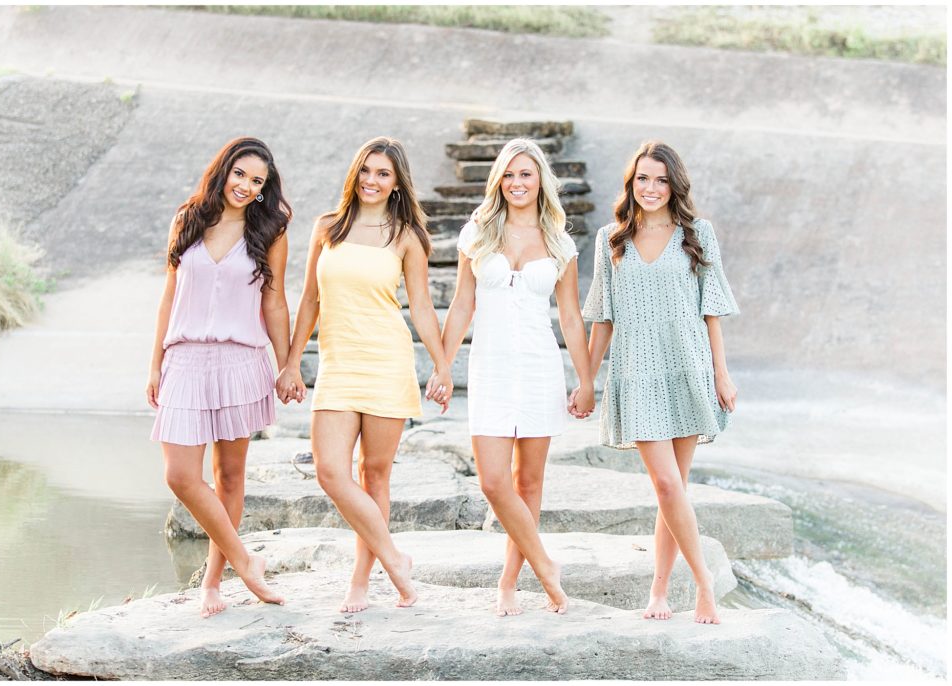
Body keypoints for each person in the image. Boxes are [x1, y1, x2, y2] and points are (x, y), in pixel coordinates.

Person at [276, 136, 452, 612]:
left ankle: (361, 580)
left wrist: (441, 365)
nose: (373, 181)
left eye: (384, 174)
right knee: (332, 472)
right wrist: (292, 362)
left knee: (374, 476)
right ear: (355, 173)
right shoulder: (327, 228)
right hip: (337, 362)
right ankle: (395, 557)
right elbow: (310, 299)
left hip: (386, 359)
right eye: (367, 171)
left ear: (396, 185)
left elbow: (420, 306)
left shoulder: (406, 237)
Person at [576, 140, 739, 624]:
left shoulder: (697, 233)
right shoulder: (613, 240)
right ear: (631, 183)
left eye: (661, 180)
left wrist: (721, 373)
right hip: (637, 373)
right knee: (666, 484)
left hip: (688, 368)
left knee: (677, 490)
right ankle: (705, 585)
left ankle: (660, 590)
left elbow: (712, 310)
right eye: (643, 178)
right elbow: (601, 319)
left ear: (675, 185)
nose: (651, 188)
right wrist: (585, 380)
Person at [439, 138, 595, 616]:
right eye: (508, 175)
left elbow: (570, 317)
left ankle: (508, 584)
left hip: (538, 366)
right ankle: (547, 565)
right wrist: (444, 365)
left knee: (528, 483)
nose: (516, 183)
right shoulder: (479, 232)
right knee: (492, 481)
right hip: (490, 366)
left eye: (525, 174)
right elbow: (463, 303)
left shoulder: (558, 240)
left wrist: (585, 380)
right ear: (498, 181)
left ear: (540, 180)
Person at [147, 137, 293, 617]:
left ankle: (212, 584)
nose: (247, 187)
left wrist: (287, 362)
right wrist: (155, 363)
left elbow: (274, 301)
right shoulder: (187, 219)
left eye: (257, 181)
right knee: (180, 475)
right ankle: (246, 560)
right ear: (223, 170)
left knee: (228, 475)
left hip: (240, 362)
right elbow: (169, 296)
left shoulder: (270, 230)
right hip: (185, 360)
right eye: (240, 174)